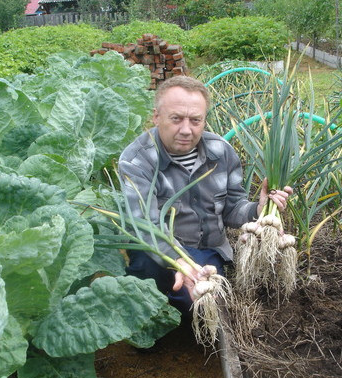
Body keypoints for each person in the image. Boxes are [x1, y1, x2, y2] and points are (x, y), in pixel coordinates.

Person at [118, 75, 292, 318]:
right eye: (176, 119)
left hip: (209, 249)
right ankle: (148, 318)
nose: (186, 130)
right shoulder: (137, 160)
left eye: (195, 120)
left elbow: (232, 208)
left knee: (203, 306)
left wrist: (258, 209)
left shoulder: (221, 151)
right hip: (157, 249)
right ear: (156, 117)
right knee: (152, 292)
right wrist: (184, 264)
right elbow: (146, 225)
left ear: (204, 120)